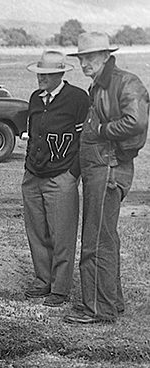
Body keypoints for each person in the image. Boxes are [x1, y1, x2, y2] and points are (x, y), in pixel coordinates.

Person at [63, 32, 149, 324]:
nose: (84, 63)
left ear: (105, 56)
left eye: (89, 58)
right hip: (101, 167)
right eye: (81, 58)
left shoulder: (125, 82)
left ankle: (98, 308)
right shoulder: (101, 84)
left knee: (96, 240)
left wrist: (102, 132)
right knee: (105, 237)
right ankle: (112, 302)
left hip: (109, 168)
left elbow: (136, 121)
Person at [21, 50, 89, 307]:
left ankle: (60, 288)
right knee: (37, 231)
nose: (41, 79)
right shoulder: (36, 98)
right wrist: (28, 169)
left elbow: (84, 138)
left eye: (47, 75)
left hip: (61, 177)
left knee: (62, 233)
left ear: (60, 74)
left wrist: (73, 173)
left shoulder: (77, 98)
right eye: (40, 74)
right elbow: (33, 134)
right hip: (33, 176)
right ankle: (43, 280)